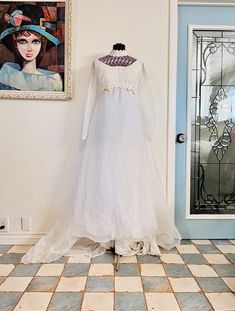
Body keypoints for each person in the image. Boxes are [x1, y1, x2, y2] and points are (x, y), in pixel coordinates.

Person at [22, 47, 182, 264]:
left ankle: (128, 232)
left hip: (131, 130)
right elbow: (90, 97)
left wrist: (148, 129)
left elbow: (145, 98)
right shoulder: (98, 63)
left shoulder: (138, 63)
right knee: (105, 180)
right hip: (104, 128)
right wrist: (86, 129)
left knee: (130, 180)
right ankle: (107, 232)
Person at [0, 3, 63, 91]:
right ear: (15, 44)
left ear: (43, 44)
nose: (29, 48)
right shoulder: (6, 75)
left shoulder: (53, 81)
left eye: (35, 41)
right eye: (22, 41)